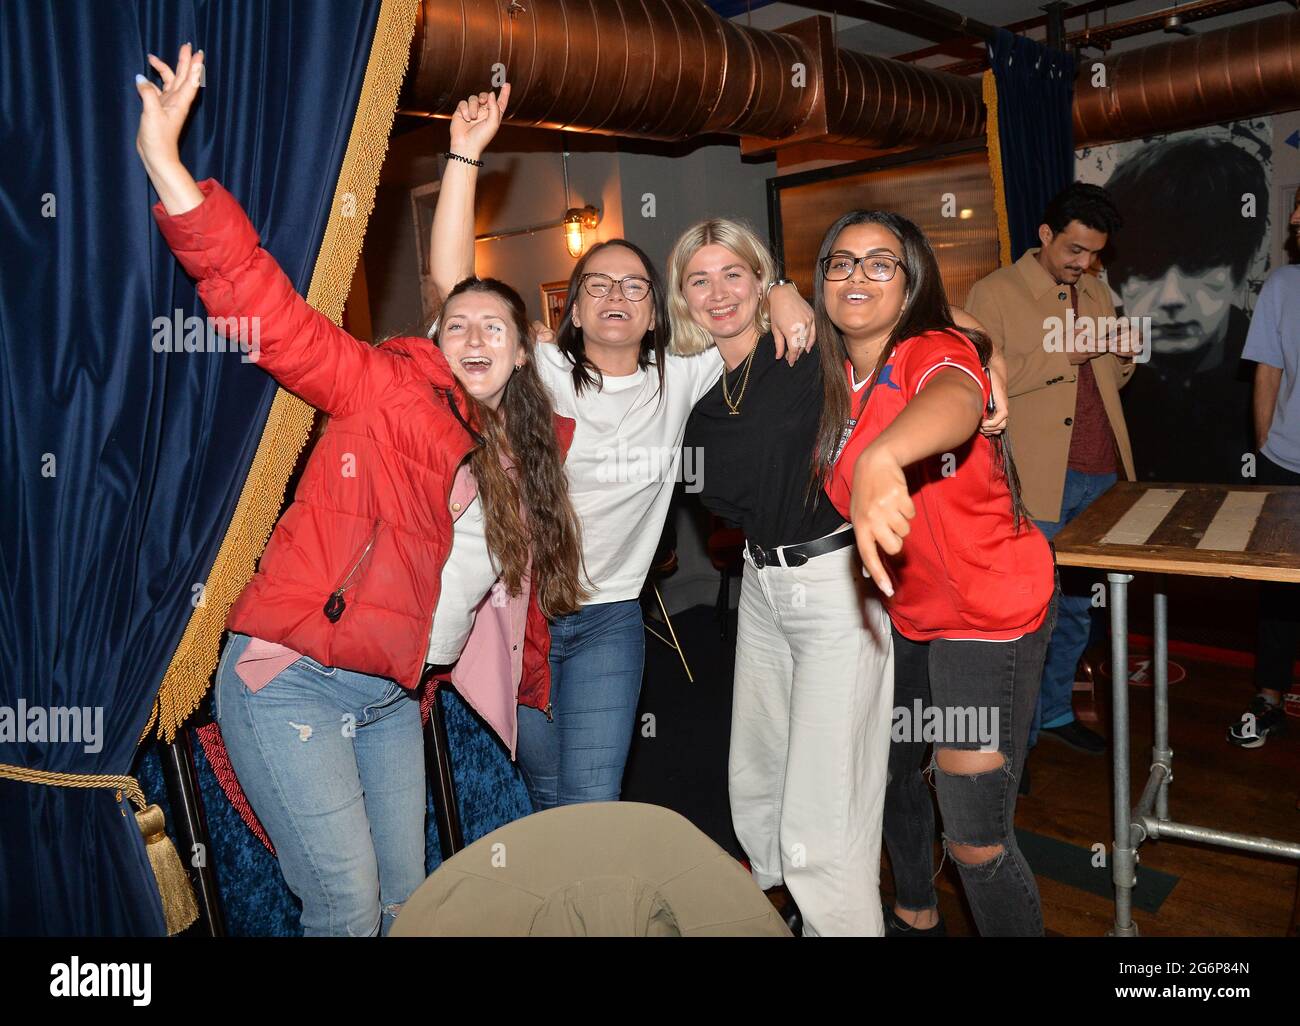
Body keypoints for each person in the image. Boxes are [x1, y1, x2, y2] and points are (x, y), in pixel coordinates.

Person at [135, 48, 586, 935]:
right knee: (342, 907)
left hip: (390, 701)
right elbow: (269, 316)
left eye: (497, 325)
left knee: (407, 906)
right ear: (435, 335)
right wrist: (167, 165)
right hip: (300, 683)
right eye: (457, 323)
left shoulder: (519, 454)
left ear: (524, 349)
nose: (475, 334)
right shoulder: (388, 390)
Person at [429, 86, 817, 810]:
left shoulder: (684, 375)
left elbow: (760, 308)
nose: (615, 294)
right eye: (596, 284)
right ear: (570, 310)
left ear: (653, 309)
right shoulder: (535, 369)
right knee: (544, 787)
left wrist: (784, 290)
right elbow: (455, 289)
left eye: (633, 285)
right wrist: (463, 157)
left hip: (610, 617)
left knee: (595, 793)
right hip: (520, 615)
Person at [671, 216, 1008, 937]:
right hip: (762, 587)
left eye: (736, 272)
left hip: (835, 583)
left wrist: (990, 363)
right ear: (683, 298)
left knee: (827, 802)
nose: (718, 291)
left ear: (764, 278)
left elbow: (935, 321)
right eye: (700, 278)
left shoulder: (809, 345)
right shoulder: (690, 382)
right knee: (757, 773)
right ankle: (784, 909)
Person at [819, 209, 1057, 937]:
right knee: (895, 770)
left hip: (984, 622)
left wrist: (884, 459)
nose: (857, 275)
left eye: (880, 263)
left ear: (911, 281)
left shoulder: (931, 350)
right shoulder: (833, 379)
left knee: (977, 840)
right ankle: (914, 914)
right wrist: (776, 294)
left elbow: (953, 396)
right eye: (841, 263)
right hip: (911, 621)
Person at [966, 183, 1136, 759]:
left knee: (1079, 608)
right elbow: (985, 380)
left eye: (1094, 254)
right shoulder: (994, 292)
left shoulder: (1096, 289)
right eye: (1075, 251)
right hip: (1039, 478)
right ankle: (1019, 734)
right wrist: (1071, 354)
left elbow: (1109, 380)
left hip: (1103, 470)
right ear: (1045, 235)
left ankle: (1059, 708)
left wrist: (1123, 357)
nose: (1085, 264)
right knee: (1029, 613)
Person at [1104, 136, 1268, 484]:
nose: (1172, 297)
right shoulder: (1096, 356)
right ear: (1117, 278)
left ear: (1240, 269)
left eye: (1199, 265)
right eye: (1146, 269)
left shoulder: (1265, 365)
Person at [1228, 186, 1300, 748]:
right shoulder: (1282, 285)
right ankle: (1269, 697)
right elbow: (1268, 373)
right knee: (1279, 593)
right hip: (1287, 464)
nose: (1293, 218)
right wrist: (1267, 447)